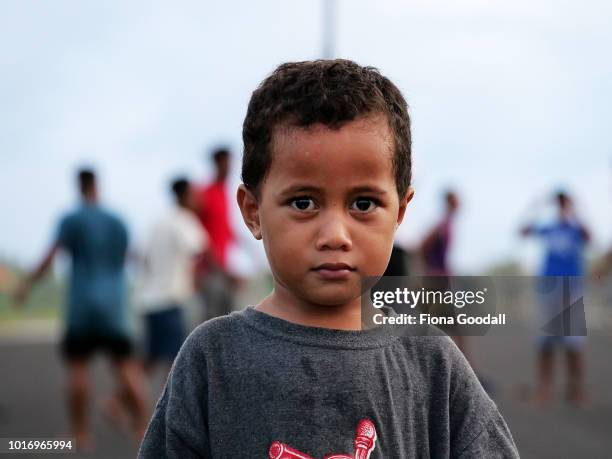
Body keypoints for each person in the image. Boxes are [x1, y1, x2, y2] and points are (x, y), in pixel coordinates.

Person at [138, 59, 518, 458]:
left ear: (400, 213)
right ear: (253, 211)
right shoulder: (212, 358)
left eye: (363, 203)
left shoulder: (434, 365)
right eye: (304, 202)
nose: (335, 234)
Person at [13, 169, 148, 450]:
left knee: (78, 369)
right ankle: (144, 430)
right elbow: (131, 257)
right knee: (126, 368)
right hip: (114, 308)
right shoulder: (117, 221)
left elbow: (51, 255)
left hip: (82, 308)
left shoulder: (71, 219)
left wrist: (27, 285)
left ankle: (80, 434)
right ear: (97, 185)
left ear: (79, 187)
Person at [521, 190, 590, 406]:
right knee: (545, 342)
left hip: (571, 288)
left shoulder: (575, 227)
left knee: (573, 343)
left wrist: (575, 211)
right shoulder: (549, 227)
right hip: (548, 288)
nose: (561, 206)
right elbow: (523, 231)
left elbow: (589, 236)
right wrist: (536, 207)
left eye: (563, 202)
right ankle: (544, 390)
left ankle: (576, 389)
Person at [136, 178, 208, 377]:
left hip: (150, 300)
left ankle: (115, 404)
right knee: (175, 364)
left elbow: (144, 260)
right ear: (185, 195)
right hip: (170, 300)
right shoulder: (186, 221)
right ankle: (172, 408)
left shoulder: (158, 223)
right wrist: (198, 284)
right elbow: (199, 254)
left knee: (149, 360)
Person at [196, 148, 241, 320]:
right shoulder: (205, 194)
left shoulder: (224, 193)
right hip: (211, 270)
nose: (228, 167)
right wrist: (221, 270)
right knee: (213, 322)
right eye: (225, 163)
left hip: (224, 268)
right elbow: (200, 238)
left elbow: (226, 230)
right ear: (216, 163)